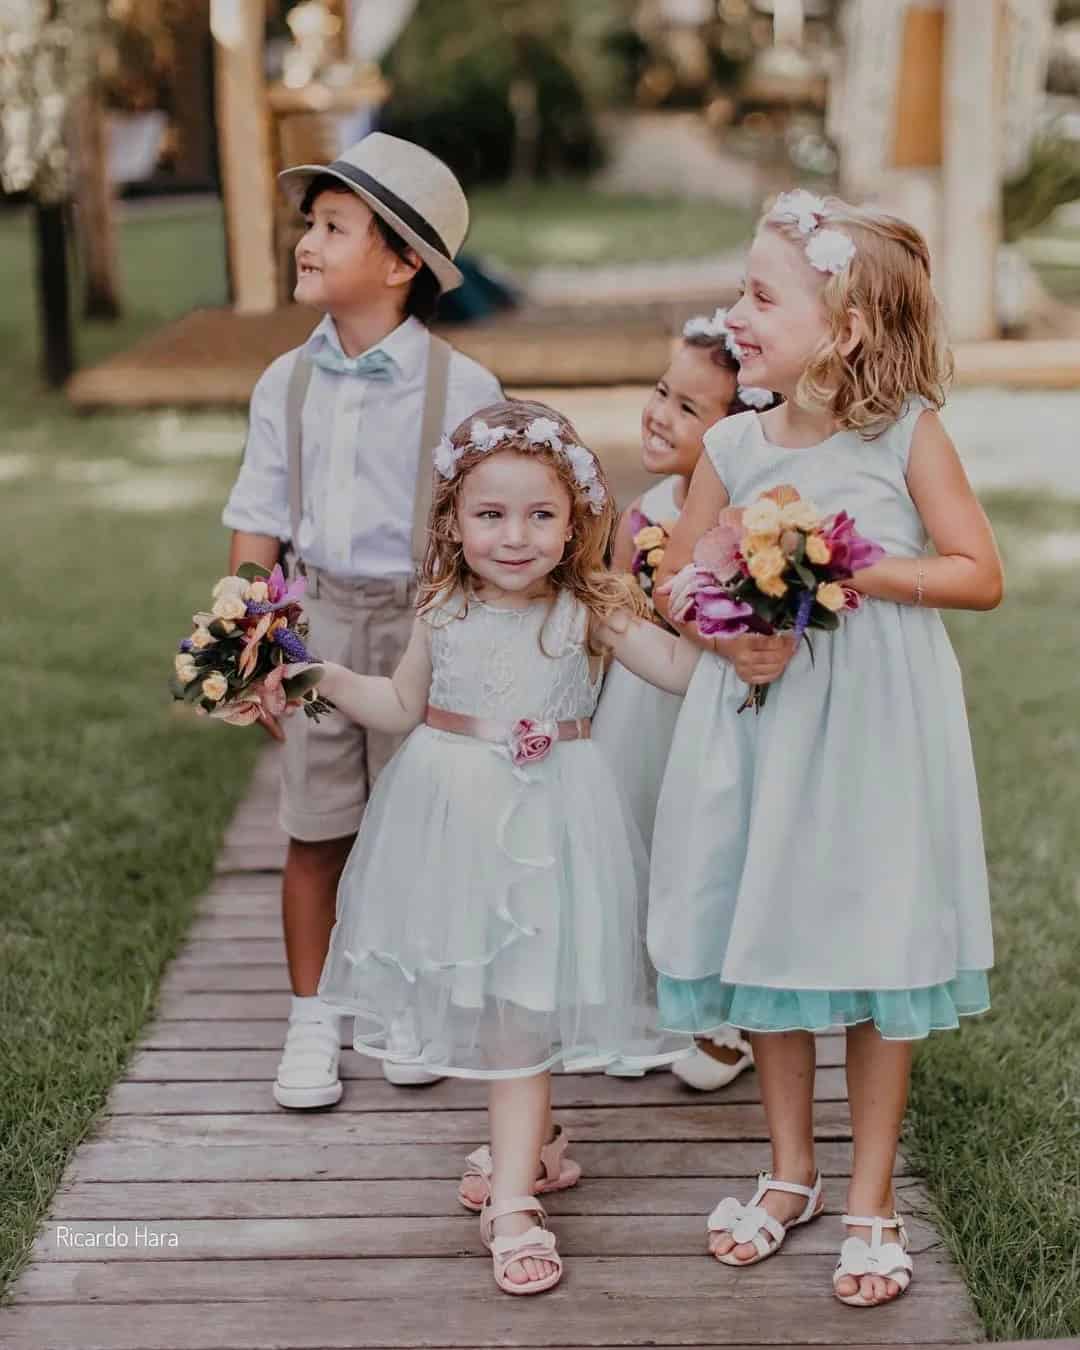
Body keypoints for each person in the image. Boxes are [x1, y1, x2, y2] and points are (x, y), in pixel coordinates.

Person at [650, 191, 1003, 1307]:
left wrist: (840, 568)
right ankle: (791, 1170)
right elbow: (676, 580)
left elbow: (977, 573)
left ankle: (871, 1194)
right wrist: (729, 627)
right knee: (766, 926)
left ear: (842, 327)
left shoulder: (904, 435)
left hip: (872, 733)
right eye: (739, 290)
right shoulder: (734, 442)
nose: (737, 313)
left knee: (871, 937)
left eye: (762, 295)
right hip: (762, 726)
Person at [285, 399, 697, 1294]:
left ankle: (513, 1199)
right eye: (491, 515)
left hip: (555, 827)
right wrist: (310, 673)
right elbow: (397, 707)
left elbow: (680, 672)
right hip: (455, 824)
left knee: (522, 1006)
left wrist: (727, 610)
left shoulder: (592, 607)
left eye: (541, 515)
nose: (516, 536)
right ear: (453, 521)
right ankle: (536, 1145)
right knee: (498, 998)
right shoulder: (442, 608)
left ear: (576, 519)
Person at [221, 133, 502, 1107]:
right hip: (319, 621)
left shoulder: (462, 390)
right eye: (311, 222)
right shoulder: (283, 384)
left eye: (334, 226)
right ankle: (314, 1019)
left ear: (400, 263)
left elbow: (492, 526)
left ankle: (408, 1001)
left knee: (416, 820)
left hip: (427, 625)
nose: (307, 240)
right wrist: (247, 636)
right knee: (315, 821)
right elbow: (258, 518)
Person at [594, 310, 772, 1090]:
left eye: (689, 408)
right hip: (636, 707)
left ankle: (726, 1017)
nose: (661, 414)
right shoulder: (644, 512)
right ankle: (643, 1006)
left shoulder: (741, 524)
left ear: (736, 433)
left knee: (706, 852)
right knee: (630, 837)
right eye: (664, 391)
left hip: (703, 709)